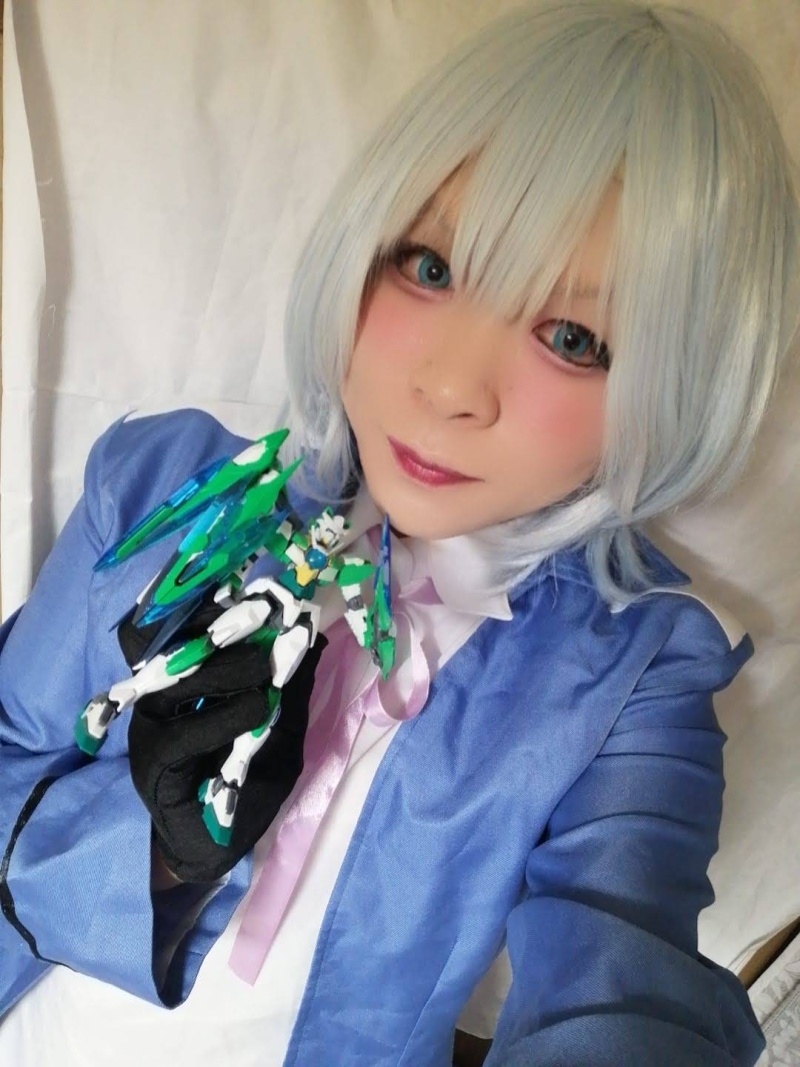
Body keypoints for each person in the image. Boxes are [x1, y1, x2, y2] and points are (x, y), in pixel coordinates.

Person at [0, 1, 797, 1063]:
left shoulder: (632, 681)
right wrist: (157, 856)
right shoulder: (161, 488)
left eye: (572, 336)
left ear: (675, 387)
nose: (450, 385)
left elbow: (622, 981)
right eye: (429, 267)